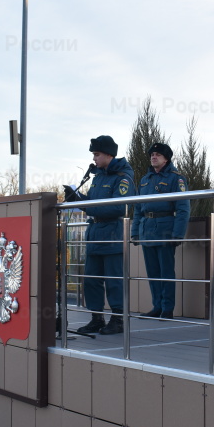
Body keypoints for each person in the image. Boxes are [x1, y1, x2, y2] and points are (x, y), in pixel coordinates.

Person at [64, 135, 136, 335]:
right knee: (91, 279)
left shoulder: (122, 177)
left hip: (112, 234)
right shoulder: (99, 176)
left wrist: (86, 205)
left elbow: (119, 207)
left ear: (108, 154)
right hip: (95, 234)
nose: (94, 158)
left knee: (114, 279)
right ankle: (96, 318)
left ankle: (118, 319)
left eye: (96, 154)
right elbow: (94, 203)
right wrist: (77, 198)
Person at [131, 143, 190, 319]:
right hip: (147, 229)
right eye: (152, 154)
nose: (153, 157)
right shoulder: (145, 179)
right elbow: (137, 208)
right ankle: (156, 305)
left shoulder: (176, 178)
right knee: (152, 272)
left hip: (165, 229)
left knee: (166, 272)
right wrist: (135, 231)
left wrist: (178, 233)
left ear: (166, 158)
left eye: (157, 154)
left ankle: (167, 308)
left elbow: (183, 208)